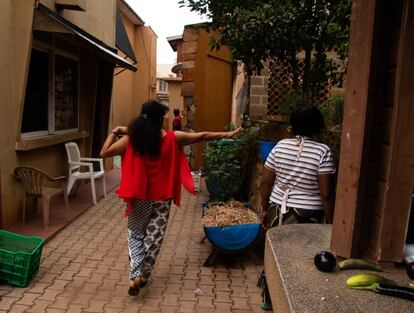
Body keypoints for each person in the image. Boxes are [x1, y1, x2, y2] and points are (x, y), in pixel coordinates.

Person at [100, 100, 241, 296]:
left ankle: (136, 274)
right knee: (153, 238)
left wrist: (115, 132)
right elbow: (201, 136)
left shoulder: (132, 139)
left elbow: (104, 152)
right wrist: (227, 134)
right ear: (161, 120)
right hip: (162, 198)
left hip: (139, 196)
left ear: (142, 118)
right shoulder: (174, 138)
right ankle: (142, 275)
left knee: (135, 235)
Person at [258, 104, 336, 310]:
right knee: (305, 259)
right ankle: (300, 302)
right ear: (318, 127)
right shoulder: (323, 151)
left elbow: (265, 182)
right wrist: (331, 221)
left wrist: (264, 209)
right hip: (310, 213)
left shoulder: (280, 146)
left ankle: (268, 299)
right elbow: (326, 193)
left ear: (293, 126)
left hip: (278, 210)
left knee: (274, 255)